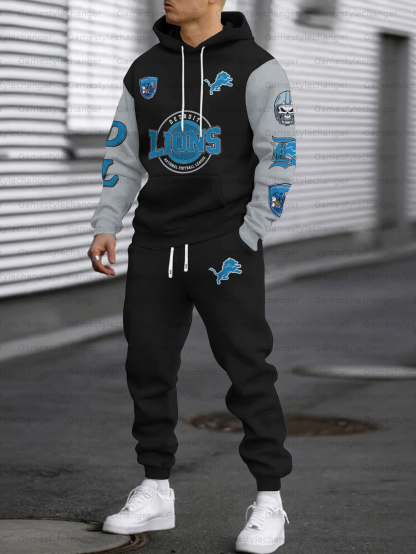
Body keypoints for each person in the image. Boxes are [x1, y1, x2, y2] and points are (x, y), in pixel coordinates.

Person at [88, 0, 296, 552]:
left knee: (247, 368)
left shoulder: (258, 68)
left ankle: (270, 502)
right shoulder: (144, 70)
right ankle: (156, 489)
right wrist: (107, 223)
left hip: (225, 244)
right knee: (148, 366)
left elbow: (279, 153)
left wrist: (251, 231)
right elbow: (123, 154)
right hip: (155, 245)